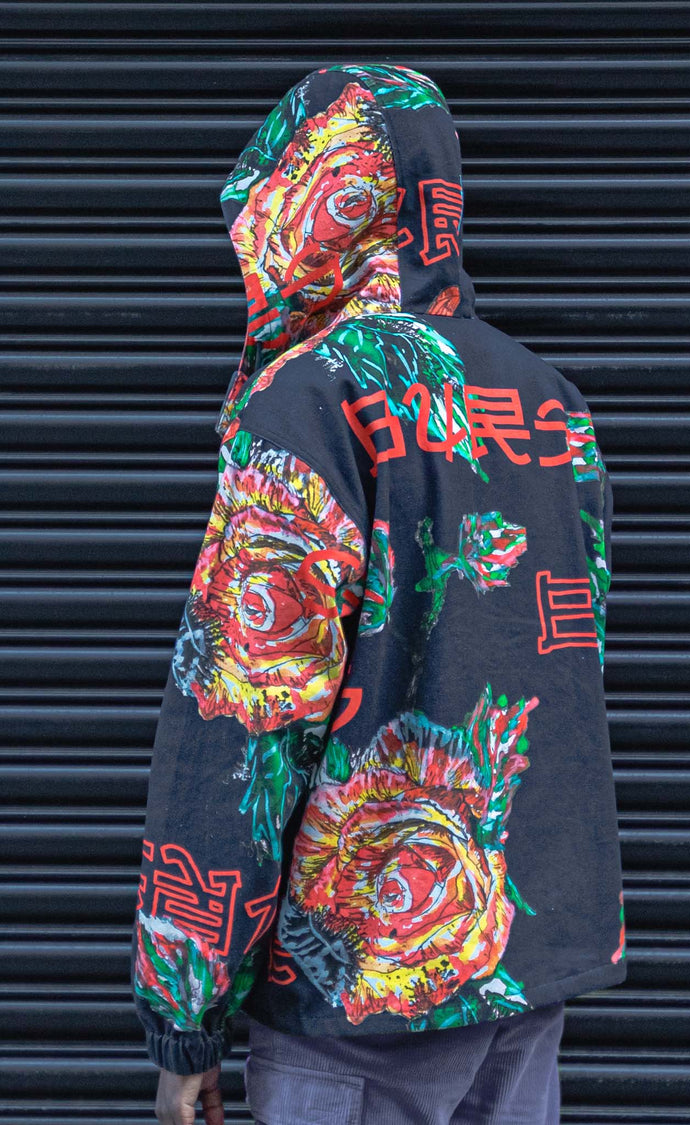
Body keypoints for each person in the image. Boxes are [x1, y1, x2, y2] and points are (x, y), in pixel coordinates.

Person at [130, 63, 627, 1125]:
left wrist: (185, 1017)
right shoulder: (552, 402)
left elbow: (242, 716)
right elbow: (569, 657)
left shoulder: (308, 399)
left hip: (355, 1004)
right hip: (524, 968)